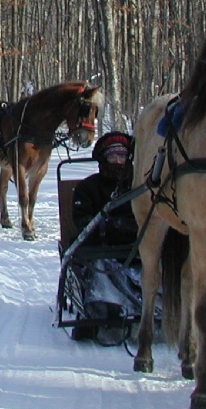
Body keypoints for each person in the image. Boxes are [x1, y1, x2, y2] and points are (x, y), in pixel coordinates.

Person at [68, 131, 144, 341]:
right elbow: (83, 222)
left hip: (136, 249)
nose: (118, 161)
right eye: (113, 157)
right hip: (102, 250)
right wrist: (110, 227)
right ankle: (107, 310)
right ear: (103, 159)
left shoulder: (140, 187)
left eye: (122, 156)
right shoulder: (87, 188)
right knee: (100, 267)